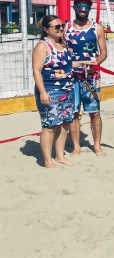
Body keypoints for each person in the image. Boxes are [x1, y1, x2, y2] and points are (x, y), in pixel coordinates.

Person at [64, 0, 107, 157]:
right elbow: (61, 50)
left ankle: (97, 146)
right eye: (80, 6)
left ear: (90, 9)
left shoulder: (97, 28)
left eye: (87, 6)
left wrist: (95, 64)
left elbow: (103, 53)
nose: (83, 9)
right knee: (74, 113)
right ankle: (76, 147)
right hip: (71, 78)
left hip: (91, 78)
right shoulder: (66, 28)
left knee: (94, 112)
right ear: (74, 7)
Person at [32, 15, 75, 169]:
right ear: (46, 30)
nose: (61, 29)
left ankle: (60, 156)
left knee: (64, 124)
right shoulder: (42, 46)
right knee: (49, 126)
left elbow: (66, 64)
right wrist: (43, 92)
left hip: (68, 90)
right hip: (50, 90)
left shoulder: (62, 44)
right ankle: (47, 161)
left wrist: (83, 62)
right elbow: (36, 71)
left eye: (62, 26)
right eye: (56, 27)